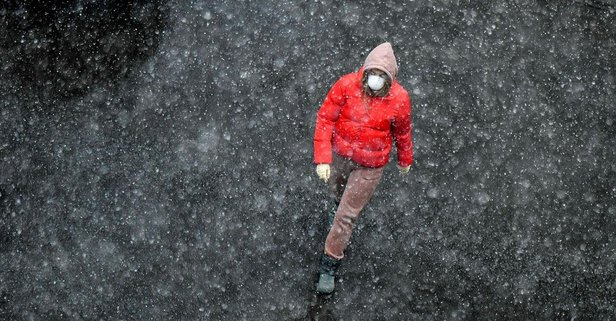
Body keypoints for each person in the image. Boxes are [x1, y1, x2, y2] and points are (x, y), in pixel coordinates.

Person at [313, 42, 413, 294]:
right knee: (337, 197)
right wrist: (323, 158)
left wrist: (405, 160)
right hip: (341, 157)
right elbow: (325, 118)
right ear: (365, 71)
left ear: (390, 78)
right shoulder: (346, 85)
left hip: (370, 166)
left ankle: (329, 265)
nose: (376, 80)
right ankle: (335, 213)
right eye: (373, 74)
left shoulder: (399, 99)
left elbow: (402, 133)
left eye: (382, 76)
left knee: (346, 217)